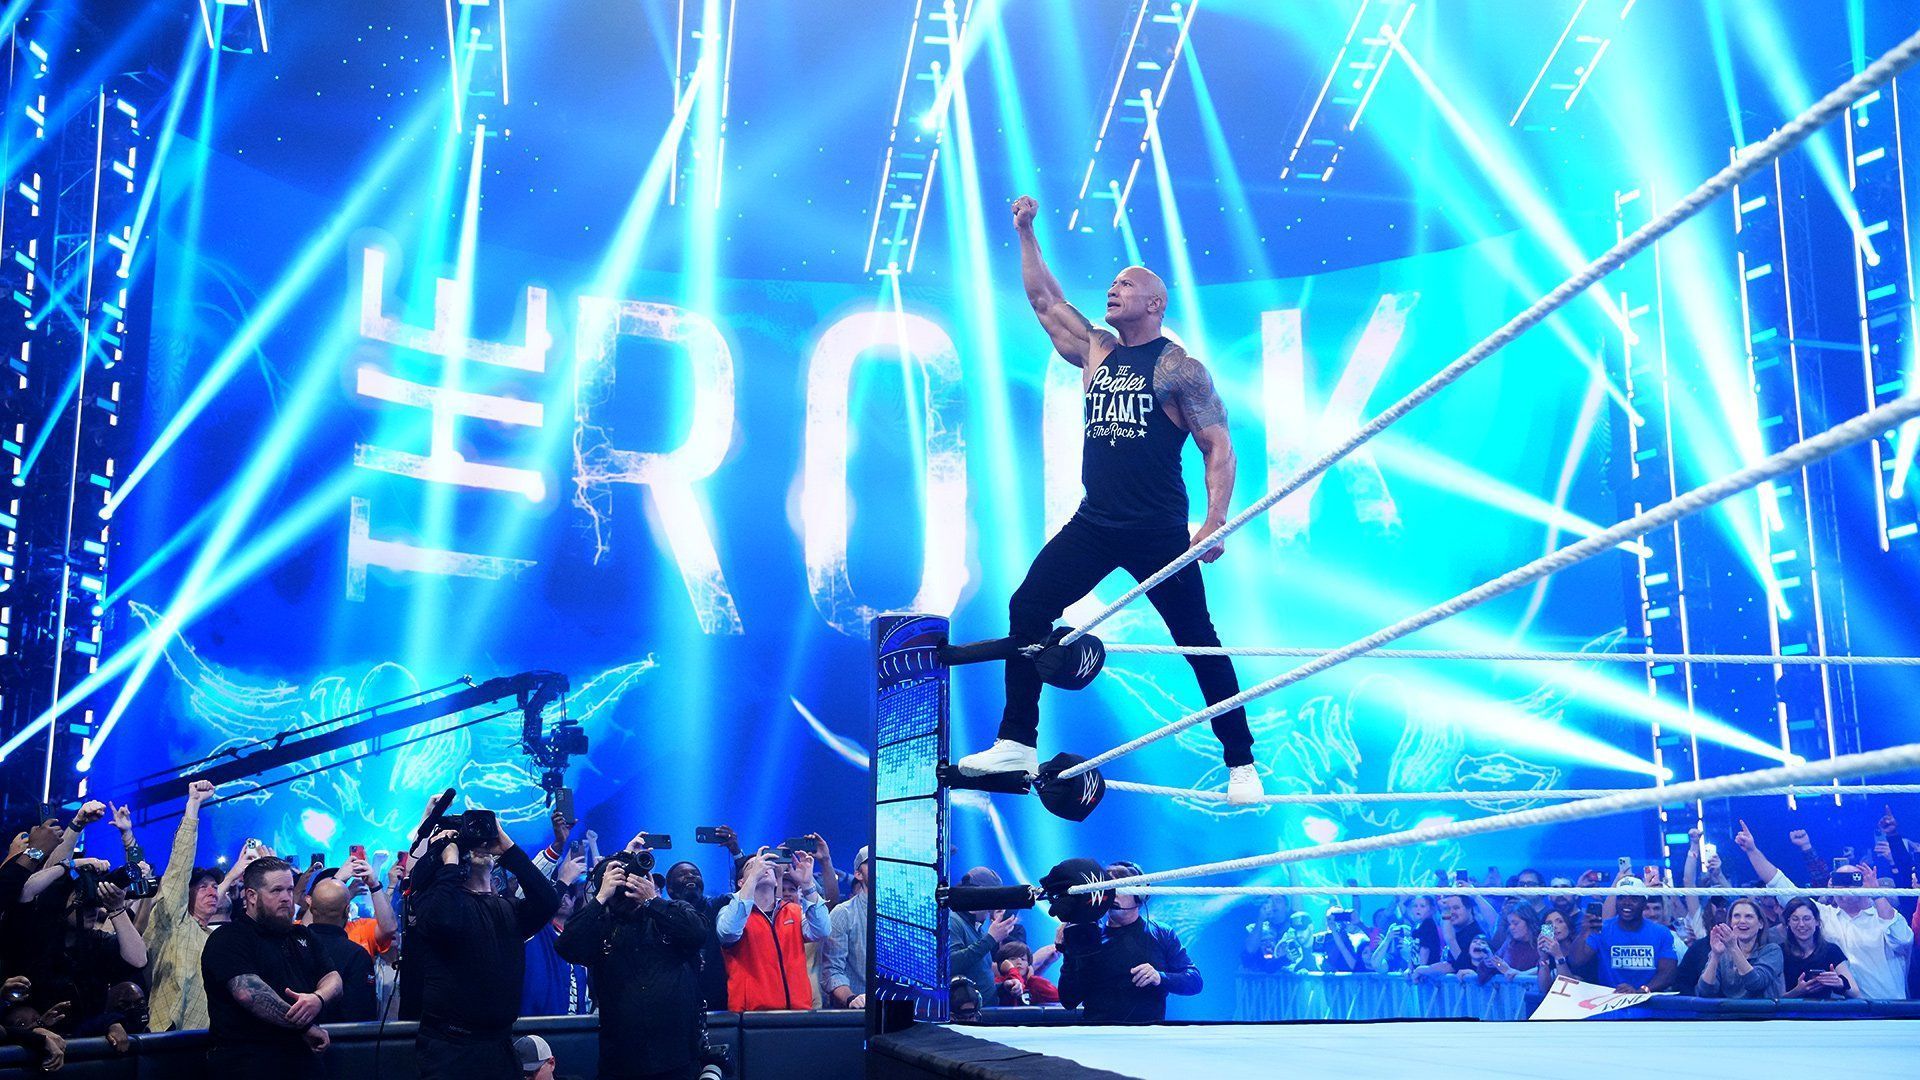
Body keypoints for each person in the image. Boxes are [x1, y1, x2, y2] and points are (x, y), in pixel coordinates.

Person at [955, 194, 1260, 805]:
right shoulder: (1098, 350)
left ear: (1156, 302)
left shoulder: (1180, 369)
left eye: (1126, 284)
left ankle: (1242, 764)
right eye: (1111, 283)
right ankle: (1017, 739)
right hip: (1096, 522)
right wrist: (1025, 231)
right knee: (1027, 606)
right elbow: (1044, 301)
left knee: (1198, 640)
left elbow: (1218, 448)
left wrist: (1215, 523)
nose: (1113, 290)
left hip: (1156, 529)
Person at [408, 812, 560, 1079]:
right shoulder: (435, 902)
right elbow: (444, 921)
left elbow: (547, 901)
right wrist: (449, 858)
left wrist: (508, 848)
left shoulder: (508, 909)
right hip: (451, 1050)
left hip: (499, 1046)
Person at [557, 854, 708, 1080]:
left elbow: (697, 933)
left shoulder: (669, 912)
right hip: (621, 1062)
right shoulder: (601, 926)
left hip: (676, 1058)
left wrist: (651, 900)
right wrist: (600, 897)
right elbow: (566, 946)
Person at [1737, 819, 1912, 998]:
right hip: (1845, 1013)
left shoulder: (1882, 917)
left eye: (1852, 879)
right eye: (1839, 880)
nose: (1845, 886)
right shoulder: (1823, 916)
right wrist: (1752, 850)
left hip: (1888, 1008)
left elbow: (1903, 940)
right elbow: (1778, 883)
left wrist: (1876, 893)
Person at [198, 857, 341, 1074]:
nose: (286, 898)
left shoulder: (302, 934)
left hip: (303, 1063)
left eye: (289, 889)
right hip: (248, 1064)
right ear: (252, 896)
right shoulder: (229, 938)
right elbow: (250, 994)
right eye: (276, 890)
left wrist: (318, 998)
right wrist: (304, 1025)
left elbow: (333, 979)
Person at [1056, 861, 1202, 1022]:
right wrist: (1068, 953)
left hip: (1148, 1038)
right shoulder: (1088, 936)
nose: (1112, 895)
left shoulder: (1161, 933)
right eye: (1108, 889)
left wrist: (1160, 977)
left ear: (1140, 896)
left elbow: (1194, 981)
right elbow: (1069, 1000)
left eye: (1119, 889)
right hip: (1099, 1037)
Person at [716, 849, 829, 1011]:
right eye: (752, 866)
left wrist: (807, 884)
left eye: (766, 865)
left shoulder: (793, 911)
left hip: (798, 1013)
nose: (762, 867)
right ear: (741, 882)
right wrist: (753, 878)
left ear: (777, 881)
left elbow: (822, 930)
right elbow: (729, 932)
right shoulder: (729, 912)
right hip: (752, 1016)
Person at [1567, 877, 1676, 992]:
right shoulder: (1602, 929)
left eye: (1633, 898)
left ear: (1644, 903)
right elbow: (1576, 962)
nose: (1626, 903)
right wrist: (1584, 933)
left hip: (1649, 1003)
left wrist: (1642, 990)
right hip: (1609, 1002)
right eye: (1621, 898)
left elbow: (1668, 973)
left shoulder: (1661, 932)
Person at [304, 877, 377, 1023]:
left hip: (293, 1039)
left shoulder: (291, 946)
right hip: (342, 1041)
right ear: (347, 910)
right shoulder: (357, 955)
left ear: (311, 908)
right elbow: (363, 1014)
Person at [664, 858, 729, 1011]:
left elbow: (745, 895)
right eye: (682, 874)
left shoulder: (717, 905)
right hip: (676, 1001)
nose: (690, 876)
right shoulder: (663, 914)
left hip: (718, 1000)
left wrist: (737, 854)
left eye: (695, 873)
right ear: (670, 889)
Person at [949, 867, 1019, 995]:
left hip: (985, 1010)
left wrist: (1003, 987)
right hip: (969, 1014)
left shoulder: (979, 929)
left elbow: (979, 977)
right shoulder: (953, 921)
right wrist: (991, 938)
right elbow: (951, 964)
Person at [1695, 897, 1783, 999]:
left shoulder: (1772, 951)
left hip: (1762, 1013)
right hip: (1727, 1013)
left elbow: (1755, 984)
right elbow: (1705, 991)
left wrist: (1733, 948)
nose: (1742, 921)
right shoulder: (1723, 953)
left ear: (1760, 924)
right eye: (1736, 916)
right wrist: (1715, 955)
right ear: (1731, 922)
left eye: (1749, 916)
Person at [1780, 898, 1862, 1000]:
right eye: (1795, 919)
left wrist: (1840, 983)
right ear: (1788, 923)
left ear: (1817, 922)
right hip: (1788, 1014)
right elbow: (1774, 999)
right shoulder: (1779, 952)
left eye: (1807, 919)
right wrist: (1797, 992)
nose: (1801, 924)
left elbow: (1856, 993)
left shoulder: (1831, 950)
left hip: (1825, 1013)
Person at [821, 846, 870, 1008]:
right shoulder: (844, 913)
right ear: (858, 874)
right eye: (872, 862)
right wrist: (851, 999)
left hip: (905, 1006)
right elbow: (832, 970)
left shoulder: (908, 913)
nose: (879, 866)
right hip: (860, 1011)